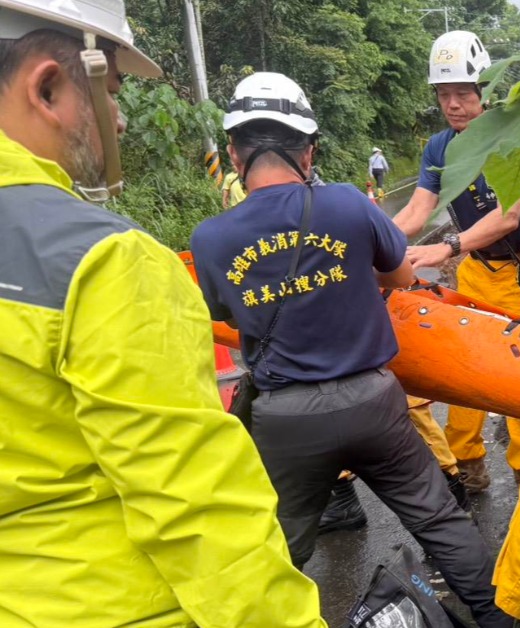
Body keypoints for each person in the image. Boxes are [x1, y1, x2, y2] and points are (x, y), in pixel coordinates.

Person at [0, 2, 325, 626]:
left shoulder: (210, 235)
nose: (120, 120)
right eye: (112, 94)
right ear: (47, 88)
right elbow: (198, 505)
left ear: (236, 155)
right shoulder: (105, 261)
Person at [189, 72, 511, 627]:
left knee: (277, 545)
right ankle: (499, 618)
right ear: (308, 152)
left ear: (234, 154)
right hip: (373, 402)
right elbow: (401, 276)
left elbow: (228, 314)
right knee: (438, 520)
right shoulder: (346, 204)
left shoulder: (210, 238)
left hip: (286, 419)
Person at [393, 30, 520, 490]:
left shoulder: (514, 139)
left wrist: (448, 246)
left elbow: (509, 216)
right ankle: (467, 463)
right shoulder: (440, 147)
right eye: (444, 94)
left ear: (485, 92)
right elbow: (417, 211)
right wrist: (372, 239)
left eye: (463, 92)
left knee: (519, 374)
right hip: (476, 270)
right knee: (464, 368)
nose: (453, 104)